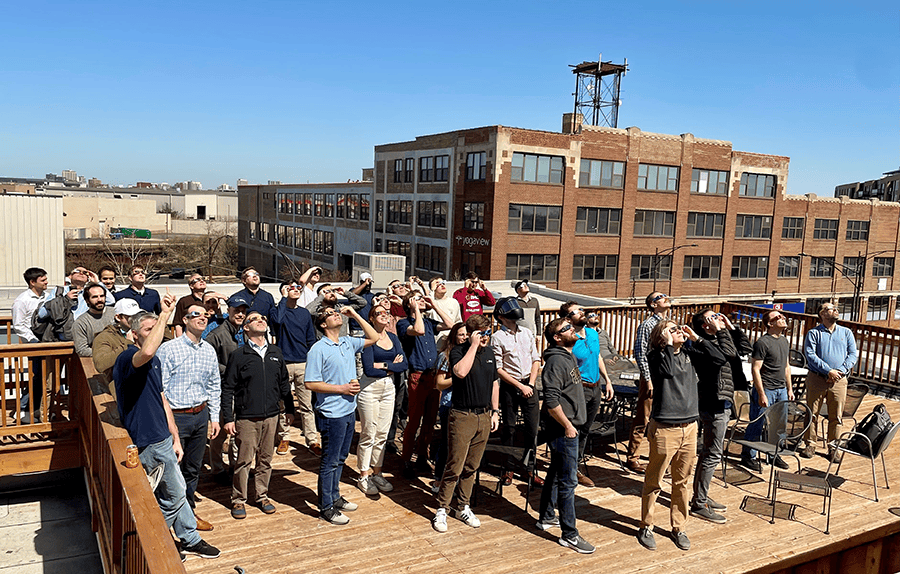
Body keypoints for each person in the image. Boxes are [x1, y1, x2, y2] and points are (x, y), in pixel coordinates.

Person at [112, 292, 220, 559]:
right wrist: (163, 315)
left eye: (156, 330)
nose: (154, 335)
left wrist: (174, 435)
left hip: (163, 436)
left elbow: (162, 398)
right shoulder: (129, 358)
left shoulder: (156, 360)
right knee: (172, 494)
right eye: (148, 330)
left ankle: (189, 538)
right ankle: (152, 538)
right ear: (133, 334)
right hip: (146, 440)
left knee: (178, 488)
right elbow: (148, 350)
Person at [637, 320, 724, 552]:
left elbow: (718, 359)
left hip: (690, 426)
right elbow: (668, 371)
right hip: (665, 427)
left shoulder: (690, 352)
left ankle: (679, 527)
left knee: (682, 481)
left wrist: (697, 338)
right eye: (673, 329)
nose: (679, 332)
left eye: (680, 328)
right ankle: (646, 525)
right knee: (655, 480)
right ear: (661, 336)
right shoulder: (656, 356)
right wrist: (666, 345)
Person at [304, 306, 379, 525]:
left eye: (336, 312)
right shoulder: (318, 349)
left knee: (340, 459)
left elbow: (373, 337)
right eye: (329, 314)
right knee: (329, 461)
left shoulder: (347, 341)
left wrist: (354, 315)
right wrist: (342, 389)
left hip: (348, 411)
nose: (336, 314)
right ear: (322, 324)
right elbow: (310, 383)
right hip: (332, 413)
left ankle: (335, 497)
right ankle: (325, 506)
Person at [221, 309, 295, 519]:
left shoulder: (275, 353)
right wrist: (228, 418)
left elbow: (283, 384)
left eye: (262, 318)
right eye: (254, 319)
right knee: (243, 461)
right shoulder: (238, 355)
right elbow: (228, 389)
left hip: (272, 416)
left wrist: (289, 409)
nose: (260, 320)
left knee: (265, 460)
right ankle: (238, 500)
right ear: (246, 328)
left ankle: (261, 496)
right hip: (246, 418)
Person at [431, 314, 500, 534]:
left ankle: (462, 506)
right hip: (462, 415)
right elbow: (460, 372)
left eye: (488, 332)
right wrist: (472, 345)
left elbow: (494, 382)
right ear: (472, 334)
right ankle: (442, 508)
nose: (486, 337)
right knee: (455, 465)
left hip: (484, 416)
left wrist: (495, 411)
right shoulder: (459, 352)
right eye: (482, 333)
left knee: (472, 467)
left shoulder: (490, 353)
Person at [157, 303, 222, 531]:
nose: (202, 318)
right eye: (196, 314)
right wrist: (168, 423)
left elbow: (214, 385)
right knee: (172, 470)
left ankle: (188, 514)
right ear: (184, 320)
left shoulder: (209, 350)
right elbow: (160, 389)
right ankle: (168, 517)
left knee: (193, 469)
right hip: (176, 417)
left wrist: (214, 418)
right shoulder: (168, 349)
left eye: (205, 315)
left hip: (200, 414)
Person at [535, 317, 595, 554]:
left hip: (570, 427)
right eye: (567, 328)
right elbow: (550, 401)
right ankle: (569, 534)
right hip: (564, 430)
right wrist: (569, 426)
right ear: (557, 337)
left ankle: (546, 517)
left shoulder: (568, 355)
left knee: (556, 474)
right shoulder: (556, 363)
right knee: (568, 482)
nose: (573, 329)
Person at [689, 309, 750, 524]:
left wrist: (731, 329)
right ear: (705, 325)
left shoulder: (717, 339)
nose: (719, 319)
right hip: (713, 403)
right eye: (713, 317)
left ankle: (701, 496)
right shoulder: (701, 344)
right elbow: (727, 356)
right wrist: (721, 332)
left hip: (722, 401)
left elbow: (744, 349)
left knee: (710, 453)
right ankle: (699, 503)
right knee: (712, 454)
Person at [398, 292, 453, 478]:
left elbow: (450, 325)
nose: (422, 300)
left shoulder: (429, 322)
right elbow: (418, 330)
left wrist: (434, 305)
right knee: (414, 421)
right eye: (417, 298)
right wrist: (415, 310)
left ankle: (422, 455)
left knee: (430, 421)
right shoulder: (403, 323)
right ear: (409, 304)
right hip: (417, 376)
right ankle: (406, 459)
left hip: (433, 376)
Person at [558, 301, 613, 487]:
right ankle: (571, 468)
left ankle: (576, 462)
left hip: (596, 387)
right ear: (568, 318)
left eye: (582, 309)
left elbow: (597, 356)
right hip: (579, 388)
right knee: (575, 428)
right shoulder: (570, 341)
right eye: (576, 311)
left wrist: (607, 380)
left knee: (586, 429)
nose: (582, 312)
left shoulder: (592, 333)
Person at [356, 304, 407, 495]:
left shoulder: (393, 338)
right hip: (369, 387)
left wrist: (384, 365)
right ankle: (364, 475)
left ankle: (377, 472)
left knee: (383, 434)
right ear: (371, 319)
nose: (384, 315)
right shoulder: (368, 339)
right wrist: (392, 365)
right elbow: (369, 368)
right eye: (379, 313)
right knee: (369, 432)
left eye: (386, 313)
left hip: (388, 387)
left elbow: (405, 364)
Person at [491, 297, 542, 487]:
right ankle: (508, 468)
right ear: (501, 317)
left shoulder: (527, 333)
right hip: (510, 386)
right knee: (509, 428)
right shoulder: (497, 337)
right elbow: (498, 368)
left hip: (530, 383)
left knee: (531, 428)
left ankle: (530, 469)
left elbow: (536, 359)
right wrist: (520, 386)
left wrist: (530, 383)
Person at [801, 302, 858, 459]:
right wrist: (828, 371)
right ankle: (810, 445)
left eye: (835, 308)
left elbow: (852, 354)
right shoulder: (814, 333)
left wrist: (839, 371)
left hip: (839, 380)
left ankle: (833, 447)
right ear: (822, 314)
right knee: (812, 412)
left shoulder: (846, 332)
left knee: (836, 415)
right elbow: (810, 355)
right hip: (817, 378)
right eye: (831, 309)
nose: (836, 311)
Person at [740, 309, 794, 473]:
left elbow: (786, 367)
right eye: (778, 317)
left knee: (779, 425)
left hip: (781, 390)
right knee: (758, 423)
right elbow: (755, 369)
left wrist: (789, 389)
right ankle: (749, 456)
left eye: (783, 316)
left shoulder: (784, 341)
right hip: (767, 389)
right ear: (770, 324)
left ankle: (774, 454)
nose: (783, 319)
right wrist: (761, 394)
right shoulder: (762, 343)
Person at [271, 281, 319, 456]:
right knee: (282, 404)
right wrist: (284, 298)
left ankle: (312, 440)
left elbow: (310, 339)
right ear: (284, 291)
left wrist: (312, 362)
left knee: (306, 405)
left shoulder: (304, 313)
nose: (296, 290)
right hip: (283, 363)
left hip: (302, 363)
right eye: (291, 288)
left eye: (298, 288)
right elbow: (277, 320)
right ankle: (283, 437)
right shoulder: (277, 311)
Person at [205, 294, 249, 484]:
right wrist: (233, 370)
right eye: (236, 310)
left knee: (239, 430)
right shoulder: (216, 334)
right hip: (225, 390)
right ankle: (216, 467)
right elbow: (208, 362)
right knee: (221, 431)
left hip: (245, 390)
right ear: (228, 310)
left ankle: (235, 466)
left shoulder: (247, 331)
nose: (240, 314)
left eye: (243, 311)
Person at [627, 291, 671, 475]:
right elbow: (640, 353)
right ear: (653, 305)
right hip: (652, 376)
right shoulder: (647, 325)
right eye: (660, 297)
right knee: (643, 418)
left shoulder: (671, 323)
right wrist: (648, 379)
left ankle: (661, 458)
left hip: (668, 376)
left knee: (664, 418)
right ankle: (633, 458)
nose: (665, 297)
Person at [11, 267, 50, 423]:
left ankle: (40, 409)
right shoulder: (21, 300)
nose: (47, 282)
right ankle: (24, 409)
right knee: (37, 377)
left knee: (46, 377)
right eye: (43, 280)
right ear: (32, 282)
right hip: (34, 344)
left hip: (47, 342)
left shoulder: (48, 297)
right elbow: (18, 325)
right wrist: (32, 340)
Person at [433, 323, 466, 490]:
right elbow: (439, 383)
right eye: (461, 334)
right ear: (454, 336)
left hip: (466, 405)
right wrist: (460, 377)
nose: (464, 337)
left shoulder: (471, 354)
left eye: (467, 334)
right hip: (449, 405)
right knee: (447, 445)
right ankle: (438, 479)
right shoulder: (445, 356)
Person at [93, 298, 142, 387]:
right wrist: (128, 344)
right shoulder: (105, 337)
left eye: (138, 315)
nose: (136, 319)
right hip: (121, 387)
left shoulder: (142, 331)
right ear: (118, 317)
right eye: (131, 316)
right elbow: (100, 364)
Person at [73, 283, 115, 357]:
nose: (99, 299)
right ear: (87, 300)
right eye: (94, 297)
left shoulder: (116, 313)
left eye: (102, 296)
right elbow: (82, 350)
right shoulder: (81, 323)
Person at [429, 277, 461, 351]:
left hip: (451, 341)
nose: (442, 285)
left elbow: (458, 321)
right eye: (438, 284)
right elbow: (428, 310)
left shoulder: (453, 302)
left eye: (443, 283)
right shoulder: (432, 302)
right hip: (436, 342)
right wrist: (432, 291)